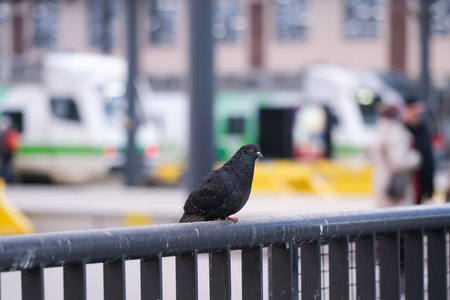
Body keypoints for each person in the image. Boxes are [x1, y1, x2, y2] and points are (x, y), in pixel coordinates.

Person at [372, 100, 421, 207]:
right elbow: (398, 162)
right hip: (396, 193)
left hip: (385, 188)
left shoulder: (381, 129)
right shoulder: (395, 132)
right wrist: (416, 158)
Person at [402, 96, 435, 204]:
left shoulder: (423, 129)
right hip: (405, 191)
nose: (418, 116)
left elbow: (429, 159)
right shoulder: (401, 131)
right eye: (415, 112)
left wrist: (429, 187)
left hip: (422, 188)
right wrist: (417, 158)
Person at [0, 116, 20, 182]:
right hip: (10, 151)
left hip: (6, 152)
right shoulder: (10, 131)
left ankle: (6, 178)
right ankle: (7, 178)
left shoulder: (4, 132)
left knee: (5, 165)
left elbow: (2, 143)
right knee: (7, 165)